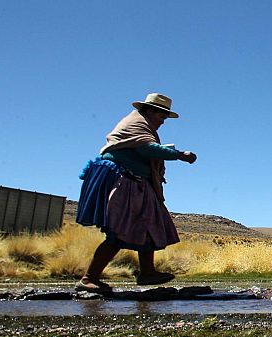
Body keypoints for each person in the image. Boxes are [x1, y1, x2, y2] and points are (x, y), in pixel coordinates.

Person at [75, 93, 198, 293]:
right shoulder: (136, 124)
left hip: (137, 182)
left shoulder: (144, 126)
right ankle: (89, 278)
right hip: (123, 181)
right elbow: (146, 149)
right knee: (119, 231)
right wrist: (179, 155)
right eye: (161, 117)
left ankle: (147, 273)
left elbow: (146, 148)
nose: (162, 122)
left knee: (148, 224)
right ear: (150, 110)